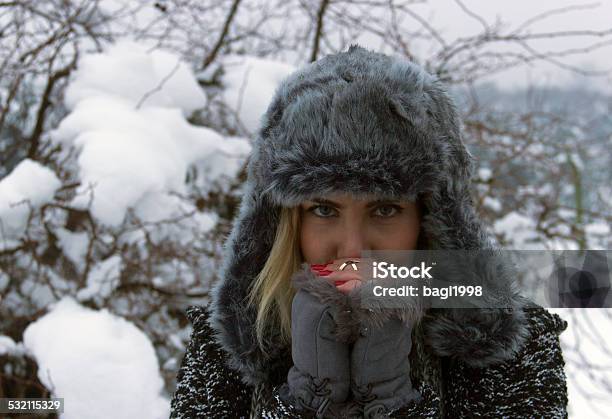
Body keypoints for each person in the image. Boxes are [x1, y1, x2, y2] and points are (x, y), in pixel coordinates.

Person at [169, 45, 568, 418]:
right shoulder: (229, 348)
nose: (354, 247)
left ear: (434, 220)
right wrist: (310, 398)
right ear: (283, 222)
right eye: (324, 210)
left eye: (385, 209)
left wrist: (388, 400)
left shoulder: (511, 350)